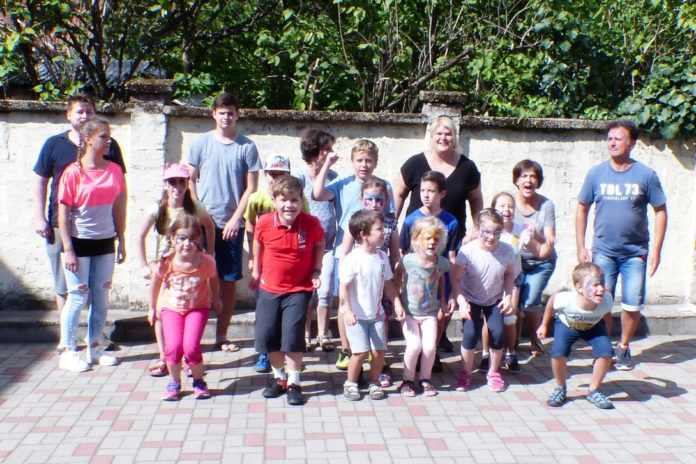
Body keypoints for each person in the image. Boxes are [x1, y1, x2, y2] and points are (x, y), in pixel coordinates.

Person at [576, 119, 667, 371]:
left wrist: (657, 249)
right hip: (603, 251)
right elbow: (582, 208)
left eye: (618, 138)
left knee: (632, 304)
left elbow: (660, 210)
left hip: (635, 254)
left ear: (632, 143)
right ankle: (603, 348)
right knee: (600, 301)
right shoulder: (596, 174)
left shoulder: (645, 175)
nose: (612, 142)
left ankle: (624, 346)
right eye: (610, 138)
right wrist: (581, 246)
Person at [393, 115, 483, 353]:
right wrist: (392, 222)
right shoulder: (415, 163)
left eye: (448, 134)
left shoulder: (467, 168)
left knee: (445, 288)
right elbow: (399, 193)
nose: (444, 138)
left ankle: (435, 339)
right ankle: (421, 341)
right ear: (431, 137)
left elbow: (476, 199)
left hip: (451, 237)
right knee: (421, 288)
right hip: (419, 241)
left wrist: (477, 228)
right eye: (439, 134)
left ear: (455, 137)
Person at [33, 94, 125, 319]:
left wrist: (119, 229)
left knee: (97, 287)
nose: (84, 116)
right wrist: (39, 217)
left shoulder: (109, 145)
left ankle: (93, 335)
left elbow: (119, 188)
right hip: (60, 224)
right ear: (68, 115)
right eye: (79, 111)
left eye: (89, 111)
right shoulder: (55, 144)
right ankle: (67, 335)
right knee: (65, 285)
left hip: (98, 228)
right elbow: (40, 181)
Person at [187, 92, 262, 353]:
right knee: (198, 278)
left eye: (230, 112)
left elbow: (251, 188)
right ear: (213, 114)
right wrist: (199, 211)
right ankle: (192, 340)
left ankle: (222, 336)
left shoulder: (247, 147)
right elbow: (190, 180)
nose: (226, 117)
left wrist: (236, 218)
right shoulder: (201, 143)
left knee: (228, 281)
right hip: (202, 224)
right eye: (222, 112)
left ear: (237, 114)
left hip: (232, 225)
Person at [312, 139, 395, 371]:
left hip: (375, 258)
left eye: (368, 160)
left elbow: (389, 220)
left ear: (375, 162)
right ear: (352, 162)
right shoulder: (343, 183)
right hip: (345, 253)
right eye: (359, 160)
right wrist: (326, 165)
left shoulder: (383, 186)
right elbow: (317, 193)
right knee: (345, 302)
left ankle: (372, 351)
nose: (364, 164)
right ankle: (347, 349)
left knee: (374, 304)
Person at [57, 118, 127, 372]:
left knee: (102, 297)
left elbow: (119, 207)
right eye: (103, 136)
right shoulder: (73, 172)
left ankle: (95, 348)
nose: (108, 141)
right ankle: (68, 351)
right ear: (88, 139)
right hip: (79, 242)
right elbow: (63, 213)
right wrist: (68, 249)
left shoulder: (115, 170)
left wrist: (121, 238)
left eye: (109, 136)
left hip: (105, 241)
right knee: (77, 297)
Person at [250, 175, 324, 406]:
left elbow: (319, 244)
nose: (289, 205)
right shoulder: (264, 223)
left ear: (301, 201)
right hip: (269, 288)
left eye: (294, 200)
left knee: (292, 336)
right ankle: (279, 378)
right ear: (274, 200)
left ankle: (294, 382)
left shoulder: (311, 224)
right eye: (283, 200)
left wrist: (317, 270)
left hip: (299, 289)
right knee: (268, 334)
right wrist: (256, 268)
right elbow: (258, 241)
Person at [136, 163, 215, 377]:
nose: (177, 186)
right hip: (164, 266)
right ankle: (165, 357)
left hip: (189, 265)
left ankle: (189, 359)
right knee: (161, 310)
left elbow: (209, 226)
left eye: (181, 182)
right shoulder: (158, 209)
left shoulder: (195, 207)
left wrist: (209, 253)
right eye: (172, 182)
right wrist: (144, 265)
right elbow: (140, 235)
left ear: (187, 184)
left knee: (189, 309)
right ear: (165, 184)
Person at [244, 154, 309, 373]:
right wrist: (254, 261)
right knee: (267, 320)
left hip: (293, 275)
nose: (276, 178)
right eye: (273, 174)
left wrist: (312, 267)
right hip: (267, 270)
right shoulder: (257, 200)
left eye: (281, 174)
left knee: (290, 324)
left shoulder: (299, 202)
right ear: (265, 174)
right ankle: (268, 357)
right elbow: (252, 230)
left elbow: (309, 232)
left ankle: (291, 370)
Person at [150, 214, 221, 401]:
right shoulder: (167, 262)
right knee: (173, 346)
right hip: (171, 308)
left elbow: (213, 279)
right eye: (182, 238)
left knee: (190, 347)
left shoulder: (206, 261)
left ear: (198, 240)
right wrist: (152, 307)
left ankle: (199, 381)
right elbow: (155, 283)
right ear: (173, 238)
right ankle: (174, 383)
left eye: (192, 239)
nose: (187, 244)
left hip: (198, 308)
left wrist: (216, 299)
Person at [338, 176, 400, 387]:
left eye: (379, 199)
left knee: (379, 347)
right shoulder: (356, 231)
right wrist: (345, 304)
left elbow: (391, 269)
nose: (374, 204)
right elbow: (344, 256)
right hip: (357, 296)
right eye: (369, 199)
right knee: (360, 348)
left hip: (378, 297)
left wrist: (397, 296)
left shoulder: (385, 242)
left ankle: (376, 375)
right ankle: (351, 374)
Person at [399, 170, 459, 371]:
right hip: (416, 280)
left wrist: (453, 291)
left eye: (431, 191)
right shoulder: (411, 220)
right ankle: (415, 356)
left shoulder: (451, 222)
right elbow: (403, 251)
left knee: (439, 316)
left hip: (440, 276)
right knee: (416, 314)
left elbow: (452, 255)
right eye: (423, 190)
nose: (426, 195)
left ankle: (432, 352)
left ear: (442, 194)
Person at [451, 209, 515, 392]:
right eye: (486, 232)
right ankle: (466, 372)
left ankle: (493, 372)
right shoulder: (467, 252)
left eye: (497, 232)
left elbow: (509, 274)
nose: (491, 237)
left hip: (495, 299)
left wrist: (508, 296)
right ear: (477, 229)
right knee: (470, 334)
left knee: (498, 333)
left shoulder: (507, 251)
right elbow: (455, 279)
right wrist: (461, 302)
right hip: (470, 298)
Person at [536, 262, 615, 409]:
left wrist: (606, 337)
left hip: (593, 326)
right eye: (595, 285)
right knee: (558, 353)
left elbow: (607, 316)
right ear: (579, 288)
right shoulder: (566, 299)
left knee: (606, 352)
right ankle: (560, 388)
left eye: (602, 284)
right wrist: (544, 325)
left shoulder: (607, 300)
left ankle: (594, 390)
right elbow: (552, 301)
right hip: (568, 325)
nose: (601, 289)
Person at [398, 216, 451, 397]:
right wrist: (397, 301)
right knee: (414, 346)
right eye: (427, 238)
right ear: (416, 240)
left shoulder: (442, 263)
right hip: (409, 313)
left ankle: (425, 379)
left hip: (430, 313)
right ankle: (407, 380)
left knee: (429, 348)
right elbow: (397, 276)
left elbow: (442, 279)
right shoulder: (408, 260)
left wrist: (443, 301)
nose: (432, 242)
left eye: (436, 239)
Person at [298, 129, 339, 353]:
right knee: (307, 293)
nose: (331, 153)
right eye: (326, 149)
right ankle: (305, 334)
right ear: (315, 150)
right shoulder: (300, 178)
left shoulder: (333, 177)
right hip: (306, 246)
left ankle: (323, 333)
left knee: (325, 292)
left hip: (329, 245)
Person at [513, 159, 557, 358]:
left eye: (533, 176)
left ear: (538, 181)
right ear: (516, 180)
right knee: (514, 303)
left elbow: (549, 239)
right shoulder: (509, 203)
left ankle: (535, 338)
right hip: (515, 262)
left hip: (542, 262)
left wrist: (537, 237)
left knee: (530, 302)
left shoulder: (546, 205)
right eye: (524, 176)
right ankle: (512, 341)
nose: (528, 180)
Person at [489, 192, 531, 373]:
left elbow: (536, 248)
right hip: (491, 278)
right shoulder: (488, 229)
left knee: (509, 317)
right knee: (489, 317)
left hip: (513, 278)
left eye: (511, 206)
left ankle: (510, 353)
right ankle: (486, 355)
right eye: (502, 205)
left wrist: (533, 236)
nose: (507, 209)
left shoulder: (521, 230)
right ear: (493, 208)